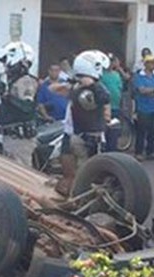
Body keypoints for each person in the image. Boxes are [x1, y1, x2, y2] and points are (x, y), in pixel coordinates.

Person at [56, 50, 111, 196]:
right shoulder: (77, 87)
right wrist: (75, 82)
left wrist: (92, 84)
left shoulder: (96, 89)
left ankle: (84, 207)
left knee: (86, 179)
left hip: (89, 138)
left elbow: (105, 98)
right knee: (69, 176)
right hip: (71, 134)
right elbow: (55, 89)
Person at [133, 54, 154, 161]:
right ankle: (138, 152)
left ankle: (150, 151)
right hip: (143, 108)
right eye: (152, 62)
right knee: (141, 131)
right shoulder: (139, 76)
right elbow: (141, 90)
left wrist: (151, 90)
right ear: (146, 64)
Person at [101, 54, 130, 151]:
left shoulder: (117, 75)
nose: (110, 63)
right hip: (104, 108)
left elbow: (120, 88)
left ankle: (112, 150)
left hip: (116, 107)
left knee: (115, 130)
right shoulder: (101, 75)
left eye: (112, 61)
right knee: (105, 131)